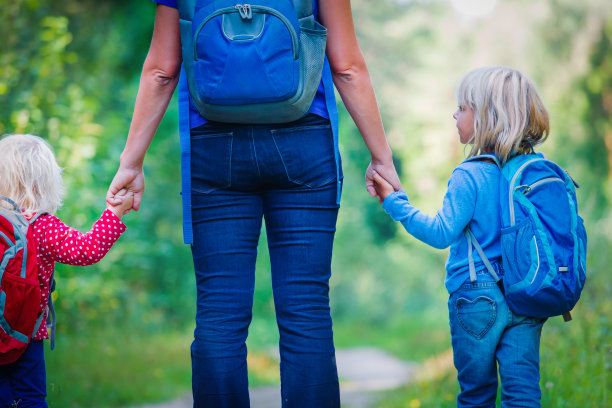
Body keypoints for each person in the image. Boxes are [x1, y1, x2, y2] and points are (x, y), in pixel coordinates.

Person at [105, 0, 401, 406]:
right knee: (306, 311)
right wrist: (381, 157)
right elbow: (347, 66)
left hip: (213, 142)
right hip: (304, 140)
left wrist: (131, 163)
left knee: (219, 315)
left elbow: (161, 69)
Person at [372, 66, 550, 407]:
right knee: (523, 393)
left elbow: (441, 232)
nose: (455, 114)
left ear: (485, 116)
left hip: (477, 299)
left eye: (462, 108)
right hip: (527, 294)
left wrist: (394, 203)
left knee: (477, 394)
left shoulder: (469, 174)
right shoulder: (532, 172)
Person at [0, 134, 133, 408]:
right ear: (45, 183)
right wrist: (115, 213)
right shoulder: (41, 225)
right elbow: (87, 249)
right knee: (29, 399)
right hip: (27, 335)